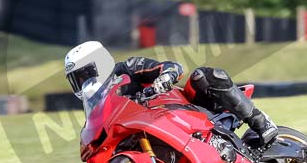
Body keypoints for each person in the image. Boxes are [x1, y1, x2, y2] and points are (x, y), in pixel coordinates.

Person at [64, 41, 278, 147]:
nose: (84, 82)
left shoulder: (127, 68)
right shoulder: (98, 104)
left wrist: (165, 77)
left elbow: (170, 66)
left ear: (100, 63)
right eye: (77, 80)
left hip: (184, 110)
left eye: (85, 75)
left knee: (202, 76)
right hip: (151, 132)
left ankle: (260, 121)